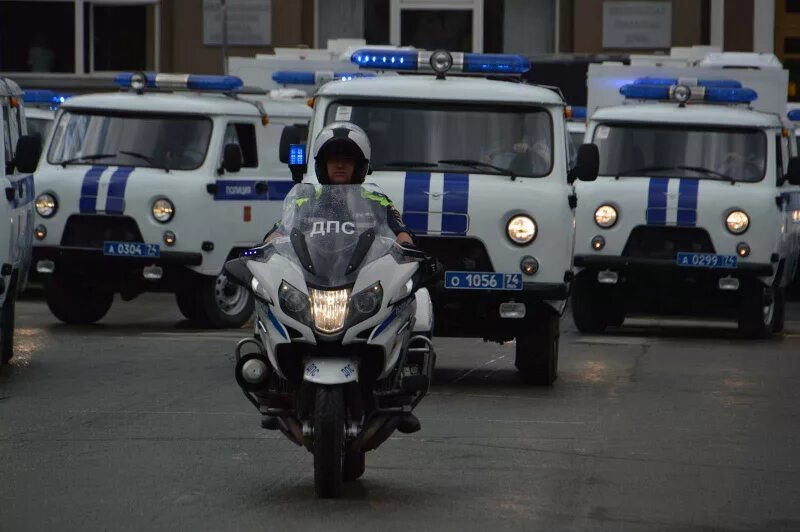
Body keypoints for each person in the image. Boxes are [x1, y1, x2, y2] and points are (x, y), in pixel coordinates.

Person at [266, 122, 414, 245]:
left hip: (367, 275)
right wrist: (267, 245)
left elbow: (400, 232)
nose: (340, 165)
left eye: (347, 159)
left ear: (359, 167)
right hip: (310, 275)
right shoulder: (304, 201)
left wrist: (406, 245)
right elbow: (280, 230)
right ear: (322, 166)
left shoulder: (377, 201)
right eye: (333, 159)